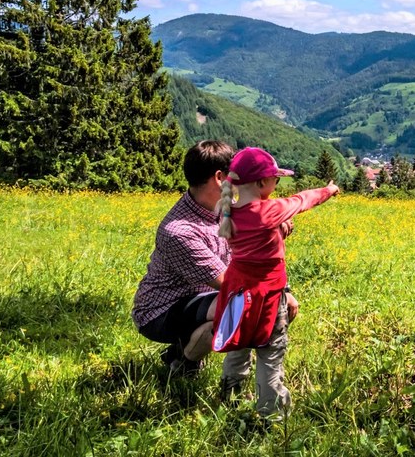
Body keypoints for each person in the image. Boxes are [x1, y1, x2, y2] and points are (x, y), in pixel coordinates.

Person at [132, 140, 298, 377]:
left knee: (249, 305)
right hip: (160, 312)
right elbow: (233, 283)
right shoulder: (180, 231)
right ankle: (184, 362)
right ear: (220, 178)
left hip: (201, 296)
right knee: (243, 306)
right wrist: (279, 294)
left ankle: (188, 351)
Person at [213, 146, 339, 417]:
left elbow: (254, 240)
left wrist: (278, 231)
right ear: (261, 183)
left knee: (238, 346)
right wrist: (329, 190)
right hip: (267, 296)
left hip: (236, 294)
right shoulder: (269, 211)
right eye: (276, 180)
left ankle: (228, 400)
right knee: (270, 354)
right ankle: (270, 414)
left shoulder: (227, 211)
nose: (277, 185)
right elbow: (303, 200)